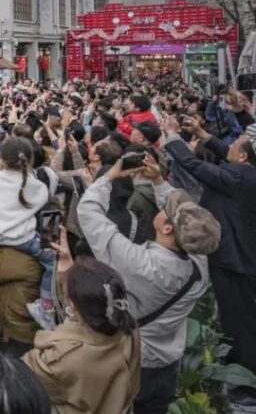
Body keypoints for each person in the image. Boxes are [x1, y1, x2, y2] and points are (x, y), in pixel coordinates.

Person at [77, 160, 221, 414]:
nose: (163, 206)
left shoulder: (139, 265)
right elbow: (185, 220)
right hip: (166, 364)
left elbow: (88, 212)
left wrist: (109, 176)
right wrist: (158, 181)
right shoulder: (199, 263)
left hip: (132, 360)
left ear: (167, 227)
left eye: (165, 209)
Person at [163, 116, 256, 403]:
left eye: (234, 144)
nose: (228, 144)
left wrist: (173, 138)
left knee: (239, 321)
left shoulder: (240, 178)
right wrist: (202, 134)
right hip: (238, 255)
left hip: (234, 260)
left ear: (242, 156)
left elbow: (194, 166)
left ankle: (245, 386)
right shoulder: (244, 172)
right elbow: (226, 153)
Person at [22, 250, 141, 413]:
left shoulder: (59, 359)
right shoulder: (129, 328)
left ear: (74, 305)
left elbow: (21, 379)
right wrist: (68, 275)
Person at [0, 136, 55, 330]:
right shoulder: (34, 184)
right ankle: (46, 306)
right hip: (24, 240)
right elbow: (43, 197)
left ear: (2, 159)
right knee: (52, 262)